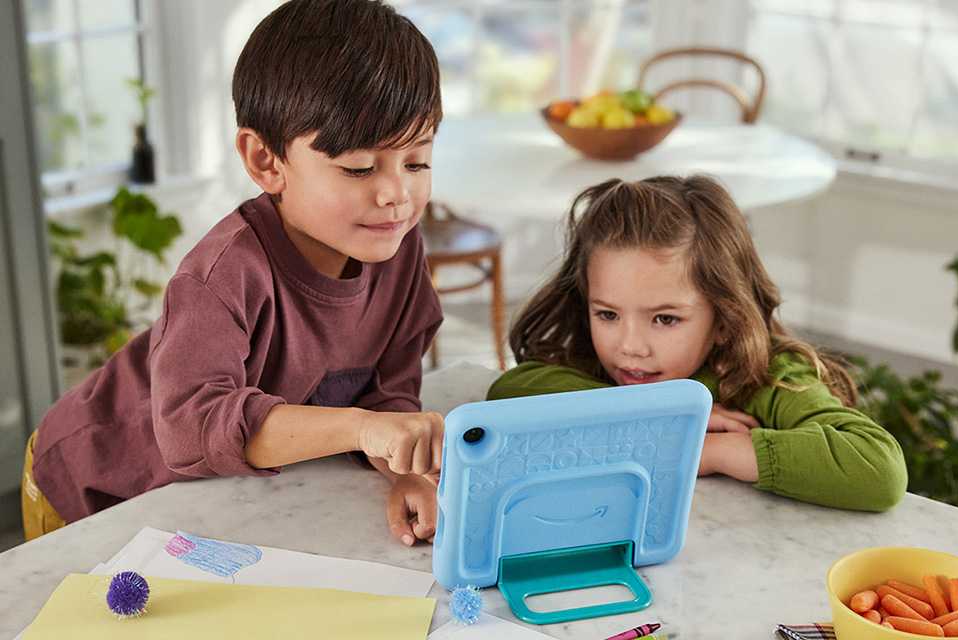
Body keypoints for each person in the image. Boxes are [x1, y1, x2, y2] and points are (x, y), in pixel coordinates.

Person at [23, 0, 444, 547]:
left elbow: (388, 391)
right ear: (267, 162)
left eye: (417, 162)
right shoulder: (223, 274)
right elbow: (192, 426)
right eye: (359, 168)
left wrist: (403, 465)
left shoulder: (398, 251)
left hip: (209, 499)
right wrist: (360, 428)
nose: (396, 195)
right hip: (92, 482)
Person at [488, 175, 907, 511]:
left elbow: (877, 466)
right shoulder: (601, 363)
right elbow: (510, 389)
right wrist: (659, 419)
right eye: (608, 314)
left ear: (724, 317)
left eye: (665, 319)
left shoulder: (767, 376)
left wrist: (707, 450)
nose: (630, 346)